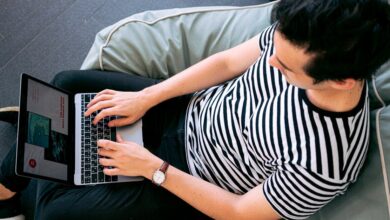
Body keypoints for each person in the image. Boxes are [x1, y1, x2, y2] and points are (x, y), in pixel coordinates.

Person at [1, 0, 390, 219]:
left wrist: (152, 168)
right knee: (67, 84)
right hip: (184, 111)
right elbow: (224, 64)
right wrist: (148, 97)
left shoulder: (322, 165)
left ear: (342, 81)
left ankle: (31, 162)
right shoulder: (300, 34)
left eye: (286, 68)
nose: (271, 62)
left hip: (187, 179)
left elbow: (237, 212)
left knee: (54, 213)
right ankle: (19, 174)